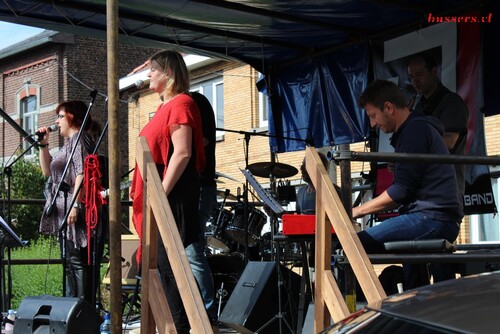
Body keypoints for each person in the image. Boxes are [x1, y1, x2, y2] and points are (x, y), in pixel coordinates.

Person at [353, 80, 464, 290]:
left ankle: (362, 309)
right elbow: (410, 183)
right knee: (413, 277)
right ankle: (415, 307)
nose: (373, 124)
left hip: (432, 218)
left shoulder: (414, 131)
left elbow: (401, 191)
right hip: (432, 216)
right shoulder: (414, 130)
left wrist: (356, 211)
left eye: (372, 116)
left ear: (388, 107)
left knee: (351, 244)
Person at [129, 50, 206, 334]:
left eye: (153, 69)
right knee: (156, 267)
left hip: (170, 195)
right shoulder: (163, 108)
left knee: (167, 267)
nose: (148, 74)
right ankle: (166, 327)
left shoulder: (182, 103)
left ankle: (181, 328)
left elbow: (183, 152)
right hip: (160, 193)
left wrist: (159, 195)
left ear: (169, 73)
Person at [37, 100, 100, 304]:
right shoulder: (69, 145)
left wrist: (75, 204)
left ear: (72, 117)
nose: (57, 121)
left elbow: (83, 173)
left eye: (60, 116)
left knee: (78, 261)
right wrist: (43, 144)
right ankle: (73, 307)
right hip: (63, 211)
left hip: (74, 209)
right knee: (70, 262)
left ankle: (82, 309)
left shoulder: (80, 140)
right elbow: (48, 171)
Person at [408, 52, 469, 195]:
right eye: (411, 77)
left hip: (446, 188)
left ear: (434, 71)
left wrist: (409, 151)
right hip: (424, 187)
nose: (415, 81)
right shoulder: (419, 106)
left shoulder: (452, 103)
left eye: (419, 74)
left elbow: (448, 143)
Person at [187, 91, 217, 322]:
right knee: (189, 251)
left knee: (192, 251)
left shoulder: (196, 101)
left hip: (199, 188)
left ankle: (206, 312)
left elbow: (201, 139)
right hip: (194, 189)